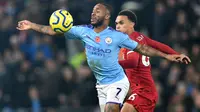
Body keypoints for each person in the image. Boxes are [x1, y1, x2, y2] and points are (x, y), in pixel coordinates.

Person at [16, 3, 188, 112]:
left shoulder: (117, 36)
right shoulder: (83, 31)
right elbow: (54, 31)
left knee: (113, 108)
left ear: (106, 17)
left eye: (97, 11)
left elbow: (143, 49)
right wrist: (32, 25)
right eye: (92, 11)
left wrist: (168, 56)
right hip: (101, 85)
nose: (93, 13)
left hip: (118, 82)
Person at [115, 10, 191, 112]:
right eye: (116, 23)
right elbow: (158, 45)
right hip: (143, 91)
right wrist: (176, 54)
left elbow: (133, 61)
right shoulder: (139, 37)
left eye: (121, 23)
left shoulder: (133, 42)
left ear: (132, 24)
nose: (117, 26)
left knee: (126, 109)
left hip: (144, 92)